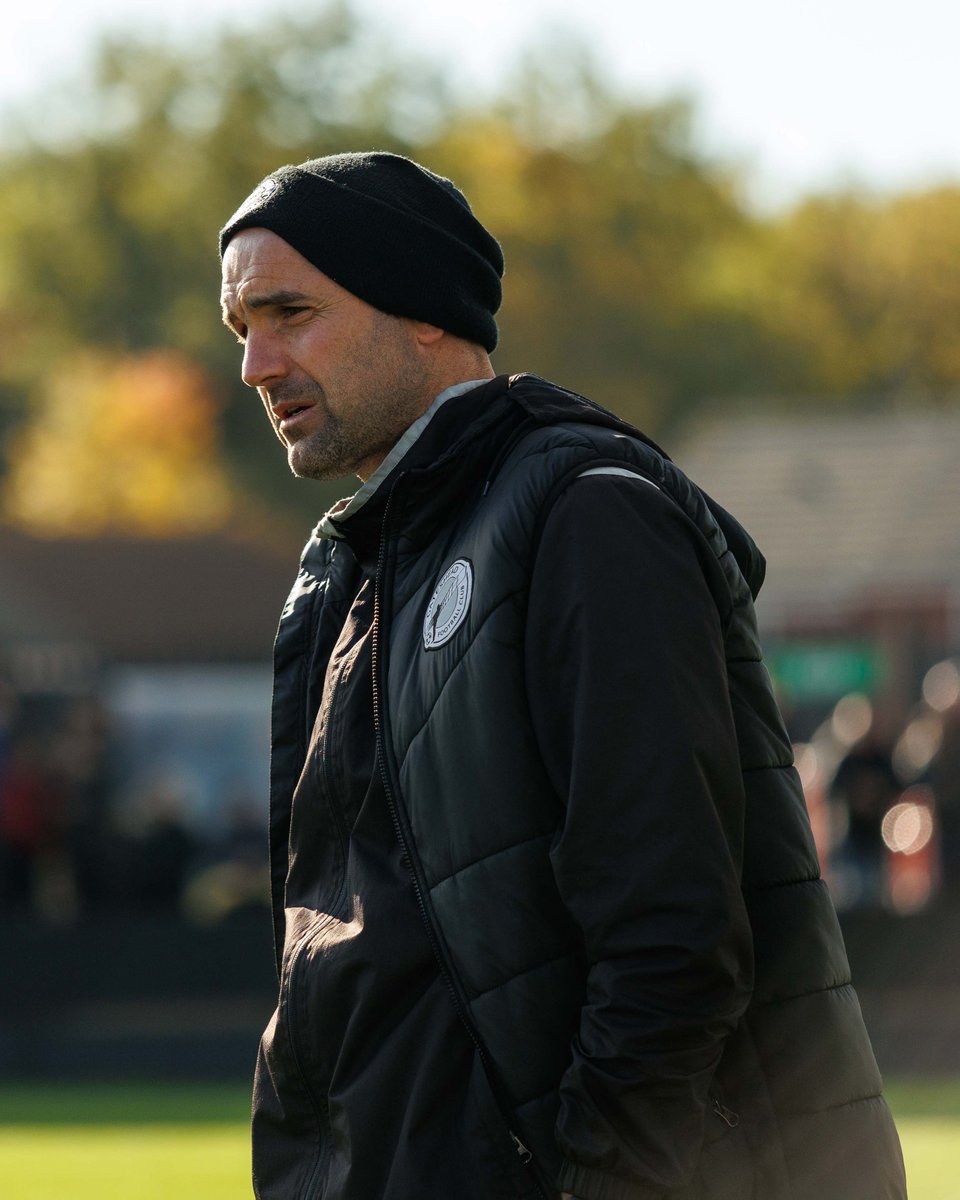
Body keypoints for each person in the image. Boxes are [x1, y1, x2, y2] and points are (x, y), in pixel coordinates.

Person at [218, 152, 906, 1200]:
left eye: (291, 313)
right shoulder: (349, 576)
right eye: (243, 329)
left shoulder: (586, 514)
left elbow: (669, 939)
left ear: (424, 310)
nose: (256, 365)